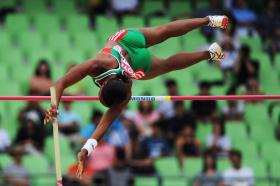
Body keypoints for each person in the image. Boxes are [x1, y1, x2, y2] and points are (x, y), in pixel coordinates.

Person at [44, 15, 229, 177]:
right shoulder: (104, 70)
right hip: (127, 44)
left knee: (167, 64)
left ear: (103, 87)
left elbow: (61, 84)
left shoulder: (121, 84)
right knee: (163, 31)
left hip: (134, 65)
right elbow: (60, 86)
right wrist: (54, 108)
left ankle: (211, 54)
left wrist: (85, 147)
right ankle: (209, 21)